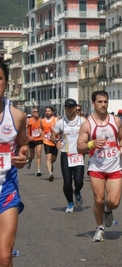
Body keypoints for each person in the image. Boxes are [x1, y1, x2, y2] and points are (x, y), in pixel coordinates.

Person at [77, 91, 122, 242]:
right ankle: (99, 228)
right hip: (96, 167)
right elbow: (80, 147)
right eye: (100, 102)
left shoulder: (116, 121)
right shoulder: (88, 124)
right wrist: (92, 144)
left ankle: (108, 209)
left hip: (114, 166)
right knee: (98, 199)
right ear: (93, 103)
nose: (103, 104)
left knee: (114, 202)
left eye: (105, 101)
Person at [0, 58, 29, 267]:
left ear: (6, 82)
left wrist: (22, 156)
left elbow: (23, 145)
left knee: (4, 255)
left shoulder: (17, 116)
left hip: (6, 190)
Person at [52, 99, 86, 213]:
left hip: (78, 154)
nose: (68, 110)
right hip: (66, 154)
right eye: (66, 107)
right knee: (67, 182)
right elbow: (53, 134)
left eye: (70, 107)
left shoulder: (82, 121)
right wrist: (56, 141)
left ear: (75, 108)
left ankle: (77, 191)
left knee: (79, 181)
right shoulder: (61, 122)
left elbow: (90, 133)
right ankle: (70, 203)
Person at [41, 106, 58, 181]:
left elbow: (60, 129)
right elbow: (40, 129)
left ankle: (51, 165)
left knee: (53, 159)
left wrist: (53, 129)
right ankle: (50, 174)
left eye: (49, 111)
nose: (47, 112)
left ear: (52, 112)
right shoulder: (43, 120)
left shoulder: (56, 119)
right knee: (48, 157)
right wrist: (42, 137)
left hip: (55, 141)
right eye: (46, 111)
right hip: (46, 141)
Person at [26, 107, 43, 176]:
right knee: (32, 155)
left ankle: (38, 170)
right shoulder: (28, 121)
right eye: (34, 112)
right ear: (32, 113)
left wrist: (42, 134)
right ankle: (30, 160)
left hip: (39, 139)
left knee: (38, 154)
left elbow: (42, 129)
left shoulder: (40, 120)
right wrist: (29, 137)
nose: (36, 113)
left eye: (37, 111)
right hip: (31, 139)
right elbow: (24, 130)